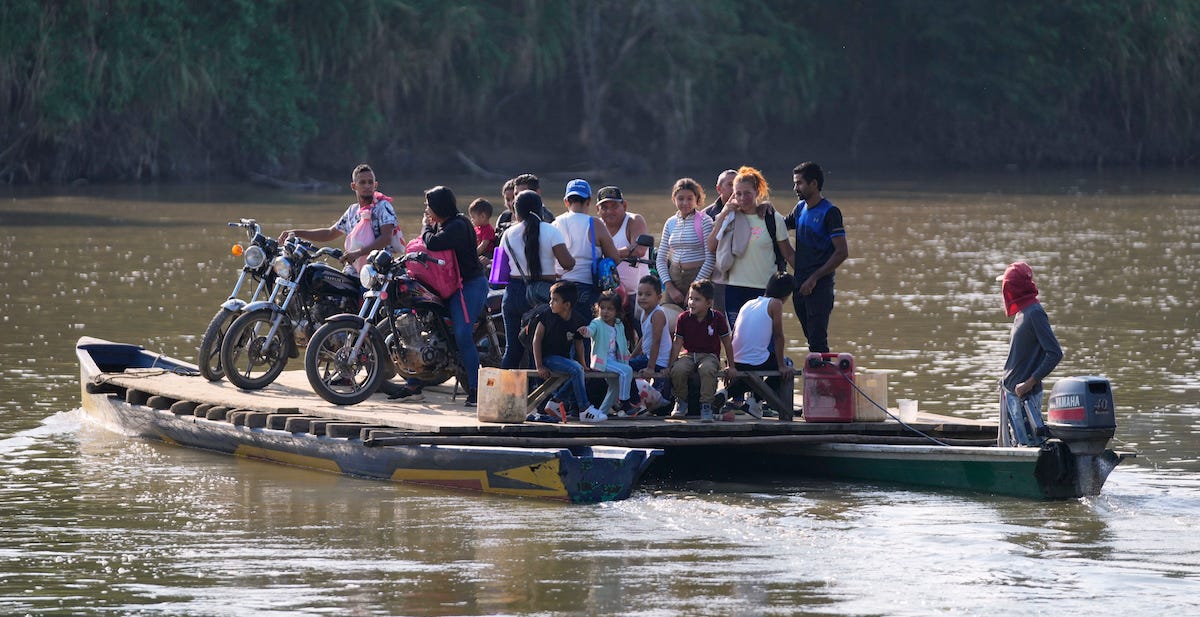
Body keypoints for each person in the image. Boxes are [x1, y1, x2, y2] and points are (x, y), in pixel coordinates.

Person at [388, 186, 489, 406]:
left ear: (439, 207)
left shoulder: (458, 225)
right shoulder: (444, 224)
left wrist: (426, 226)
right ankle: (413, 385)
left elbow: (433, 243)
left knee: (462, 335)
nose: (426, 209)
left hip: (469, 285)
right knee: (421, 327)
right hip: (447, 284)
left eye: (428, 205)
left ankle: (476, 390)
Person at [707, 166, 794, 330]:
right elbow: (711, 246)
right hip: (733, 288)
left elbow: (788, 253)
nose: (742, 198)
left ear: (757, 192)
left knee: (764, 339)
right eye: (738, 193)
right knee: (738, 339)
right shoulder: (730, 217)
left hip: (765, 289)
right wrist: (724, 214)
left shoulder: (771, 218)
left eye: (747, 193)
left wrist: (806, 279)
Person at [279, 163, 401, 274]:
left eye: (370, 182)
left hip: (377, 271)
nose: (367, 186)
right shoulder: (352, 211)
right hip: (353, 268)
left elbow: (386, 238)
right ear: (354, 186)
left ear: (375, 185)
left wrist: (358, 253)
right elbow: (329, 233)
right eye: (362, 182)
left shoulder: (383, 206)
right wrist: (296, 233)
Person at [500, 190, 575, 369]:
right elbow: (567, 263)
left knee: (513, 350)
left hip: (513, 293)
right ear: (540, 209)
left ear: (516, 212)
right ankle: (538, 396)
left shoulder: (508, 234)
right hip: (542, 296)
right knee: (539, 349)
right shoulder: (551, 231)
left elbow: (501, 270)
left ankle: (500, 394)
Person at [784, 161, 848, 353]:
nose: (796, 188)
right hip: (800, 283)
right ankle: (820, 375)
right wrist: (764, 210)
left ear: (814, 184)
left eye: (800, 183)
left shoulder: (830, 212)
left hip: (819, 286)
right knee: (811, 338)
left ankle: (824, 379)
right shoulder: (800, 208)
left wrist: (814, 278)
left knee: (818, 340)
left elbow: (841, 252)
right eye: (795, 183)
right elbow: (780, 225)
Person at [999, 261, 1062, 446]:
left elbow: (1054, 353)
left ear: (1013, 287)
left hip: (1025, 398)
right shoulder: (1022, 312)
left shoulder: (1035, 313)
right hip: (1011, 395)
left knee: (1032, 446)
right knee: (1018, 445)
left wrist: (1028, 383)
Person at [725, 272, 796, 419]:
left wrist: (730, 362)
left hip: (737, 360)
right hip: (754, 362)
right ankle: (755, 402)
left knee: (753, 371)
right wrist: (782, 365)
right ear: (787, 294)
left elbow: (732, 336)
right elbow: (778, 336)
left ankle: (724, 393)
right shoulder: (775, 304)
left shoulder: (749, 303)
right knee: (787, 365)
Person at [533, 281, 607, 422]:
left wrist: (583, 364)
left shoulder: (577, 319)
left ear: (567, 305)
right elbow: (536, 340)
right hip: (547, 358)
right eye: (551, 299)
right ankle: (584, 408)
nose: (550, 302)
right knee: (576, 369)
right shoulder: (546, 315)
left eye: (555, 300)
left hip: (563, 359)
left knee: (579, 370)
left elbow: (579, 343)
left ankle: (556, 401)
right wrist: (539, 365)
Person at [668, 279, 736, 422]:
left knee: (707, 369)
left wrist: (731, 365)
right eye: (691, 298)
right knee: (678, 369)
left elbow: (727, 343)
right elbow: (677, 343)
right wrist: (670, 364)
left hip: (709, 355)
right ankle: (681, 401)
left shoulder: (717, 318)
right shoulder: (683, 318)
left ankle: (706, 405)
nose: (692, 302)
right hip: (688, 354)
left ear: (709, 303)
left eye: (697, 299)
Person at [552, 179, 620, 320]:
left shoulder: (555, 224)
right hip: (587, 289)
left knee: (562, 335)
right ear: (589, 201)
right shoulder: (596, 224)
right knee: (586, 335)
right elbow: (614, 258)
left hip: (559, 290)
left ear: (566, 201)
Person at [656, 178, 715, 310]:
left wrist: (694, 289)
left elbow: (710, 259)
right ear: (674, 199)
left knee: (695, 322)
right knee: (669, 321)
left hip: (698, 279)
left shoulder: (705, 221)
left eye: (690, 198)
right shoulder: (670, 222)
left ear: (697, 199)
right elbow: (660, 259)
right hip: (674, 280)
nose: (685, 203)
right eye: (680, 198)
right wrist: (670, 287)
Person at [577, 291, 639, 415]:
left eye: (610, 309)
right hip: (602, 361)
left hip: (615, 361)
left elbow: (621, 342)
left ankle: (601, 414)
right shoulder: (597, 323)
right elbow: (590, 331)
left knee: (614, 388)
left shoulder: (618, 324)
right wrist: (585, 331)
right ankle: (624, 402)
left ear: (617, 311)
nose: (605, 311)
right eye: (602, 308)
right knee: (627, 370)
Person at [595, 185, 649, 311]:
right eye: (604, 207)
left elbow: (639, 250)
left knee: (639, 329)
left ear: (624, 206)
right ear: (597, 209)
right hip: (608, 295)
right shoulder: (596, 225)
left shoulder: (634, 220)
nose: (609, 211)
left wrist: (610, 253)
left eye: (614, 207)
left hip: (637, 294)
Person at [629, 274, 675, 406]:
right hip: (649, 357)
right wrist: (632, 356)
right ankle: (634, 399)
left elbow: (656, 341)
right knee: (625, 365)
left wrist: (650, 367)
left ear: (659, 298)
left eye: (648, 294)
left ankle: (634, 402)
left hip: (658, 361)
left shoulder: (657, 314)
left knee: (626, 368)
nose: (643, 298)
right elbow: (645, 337)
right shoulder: (645, 312)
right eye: (640, 294)